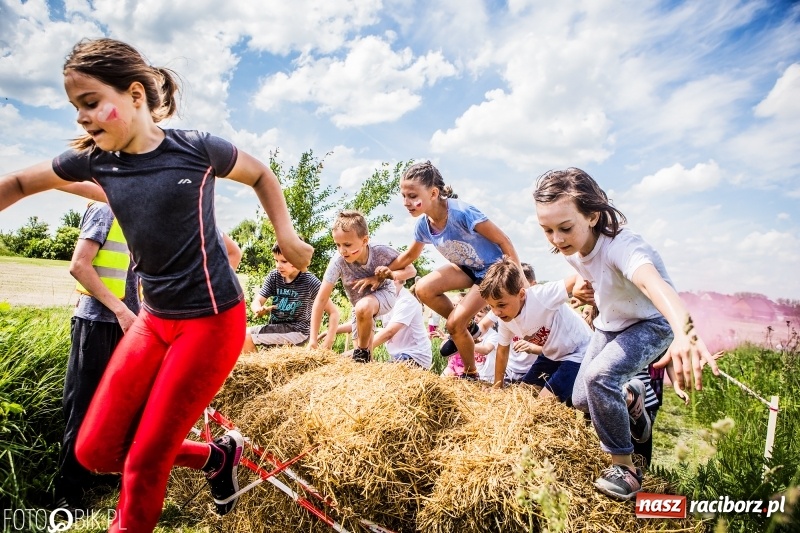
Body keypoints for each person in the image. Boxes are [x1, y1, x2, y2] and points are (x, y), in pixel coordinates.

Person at [0, 38, 313, 532]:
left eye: (89, 103)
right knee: (95, 449)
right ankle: (215, 457)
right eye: (74, 107)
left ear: (136, 96)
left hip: (211, 322)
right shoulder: (96, 162)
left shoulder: (197, 149)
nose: (81, 118)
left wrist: (287, 236)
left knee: (144, 464)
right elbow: (18, 183)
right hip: (154, 319)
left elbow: (261, 174)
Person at [533, 167, 718, 501]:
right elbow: (592, 276)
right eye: (547, 230)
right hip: (612, 324)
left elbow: (655, 286)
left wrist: (685, 333)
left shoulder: (623, 246)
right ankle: (632, 399)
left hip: (651, 323)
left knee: (600, 377)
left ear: (591, 216)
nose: (557, 239)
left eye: (564, 228)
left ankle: (626, 469)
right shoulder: (574, 248)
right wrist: (589, 296)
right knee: (580, 400)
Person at [387, 161, 520, 380]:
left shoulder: (462, 213)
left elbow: (504, 241)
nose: (406, 202)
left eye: (412, 196)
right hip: (466, 269)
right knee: (423, 288)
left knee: (453, 325)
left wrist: (517, 279)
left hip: (492, 271)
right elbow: (409, 257)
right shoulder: (424, 225)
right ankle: (469, 326)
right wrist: (381, 271)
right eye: (403, 196)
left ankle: (470, 374)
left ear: (433, 192)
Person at [54, 201, 140, 510]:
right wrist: (120, 310)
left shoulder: (141, 212)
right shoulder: (105, 208)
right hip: (98, 322)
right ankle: (68, 494)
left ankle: (102, 470)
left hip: (131, 325)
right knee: (82, 405)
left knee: (120, 404)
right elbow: (79, 265)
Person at [478, 257, 592, 402]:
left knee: (542, 403)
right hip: (551, 355)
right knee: (521, 398)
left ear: (521, 294)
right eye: (492, 306)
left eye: (501, 305)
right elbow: (502, 350)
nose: (496, 312)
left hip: (579, 352)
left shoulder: (541, 296)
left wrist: (578, 289)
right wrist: (497, 387)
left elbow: (576, 277)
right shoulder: (505, 319)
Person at [309, 210, 415, 362]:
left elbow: (411, 270)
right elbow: (321, 300)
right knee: (362, 363)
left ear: (365, 240)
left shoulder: (380, 251)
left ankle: (362, 351)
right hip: (358, 308)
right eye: (337, 244)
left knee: (363, 313)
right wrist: (313, 339)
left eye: (347, 244)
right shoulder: (338, 261)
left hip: (384, 294)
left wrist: (384, 275)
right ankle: (366, 355)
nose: (342, 250)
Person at [243, 243, 339, 353]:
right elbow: (257, 301)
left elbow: (333, 312)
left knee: (245, 336)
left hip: (298, 331)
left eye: (284, 261)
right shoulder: (274, 276)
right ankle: (258, 369)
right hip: (277, 329)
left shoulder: (309, 281)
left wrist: (328, 341)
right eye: (276, 260)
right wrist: (257, 309)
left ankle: (256, 369)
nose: (278, 265)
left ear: (297, 259)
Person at [369, 278, 432, 369]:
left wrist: (362, 349)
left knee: (379, 375)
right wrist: (339, 328)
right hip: (399, 355)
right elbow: (364, 318)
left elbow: (389, 332)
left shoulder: (407, 301)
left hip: (415, 356)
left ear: (395, 279)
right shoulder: (386, 299)